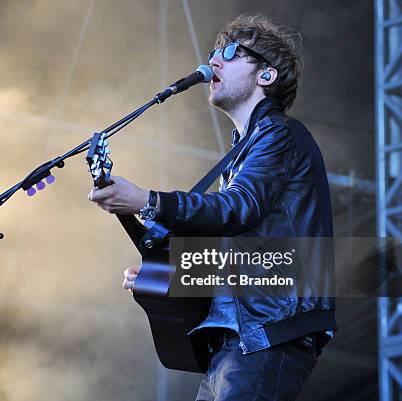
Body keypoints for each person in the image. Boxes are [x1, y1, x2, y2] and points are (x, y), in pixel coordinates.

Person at [88, 15, 336, 401]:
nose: (213, 62)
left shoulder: (280, 134)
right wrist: (175, 274)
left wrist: (148, 201)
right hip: (237, 340)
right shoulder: (244, 151)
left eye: (230, 53)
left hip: (268, 333)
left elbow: (239, 209)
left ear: (266, 76)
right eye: (213, 53)